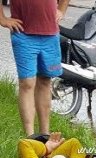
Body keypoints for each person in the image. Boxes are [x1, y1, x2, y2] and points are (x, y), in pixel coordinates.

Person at [0, 0, 69, 136]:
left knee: (45, 81)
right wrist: (2, 19)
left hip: (50, 35)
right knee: (27, 83)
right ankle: (30, 137)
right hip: (23, 34)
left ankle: (45, 135)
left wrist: (61, 10)